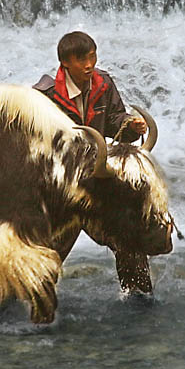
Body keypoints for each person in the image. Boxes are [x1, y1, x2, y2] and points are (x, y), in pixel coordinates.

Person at [33, 31, 152, 292]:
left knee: (127, 234)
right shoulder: (45, 95)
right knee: (46, 254)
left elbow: (115, 121)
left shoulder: (104, 83)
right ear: (65, 62)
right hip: (61, 188)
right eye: (81, 60)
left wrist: (131, 126)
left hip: (98, 179)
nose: (89, 65)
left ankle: (139, 297)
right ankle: (25, 306)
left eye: (92, 57)